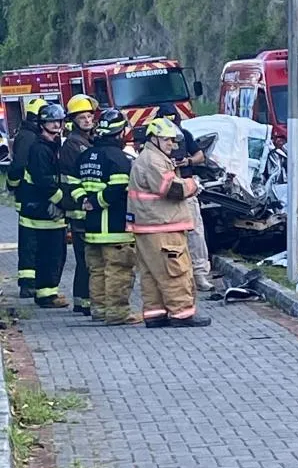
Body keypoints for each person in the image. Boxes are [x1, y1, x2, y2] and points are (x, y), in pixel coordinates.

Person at [128, 117, 211, 328]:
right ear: (154, 139)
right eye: (167, 140)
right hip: (162, 226)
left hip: (149, 226)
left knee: (152, 274)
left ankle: (156, 314)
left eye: (173, 141)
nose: (172, 145)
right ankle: (182, 313)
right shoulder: (154, 160)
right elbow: (173, 190)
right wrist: (193, 184)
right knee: (175, 271)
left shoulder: (149, 157)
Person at [73, 109, 141, 326]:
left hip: (91, 230)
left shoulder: (85, 156)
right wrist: (98, 202)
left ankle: (99, 310)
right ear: (119, 133)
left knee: (97, 271)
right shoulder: (118, 158)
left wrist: (84, 201)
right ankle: (117, 314)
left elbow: (71, 184)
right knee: (118, 272)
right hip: (114, 229)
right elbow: (117, 188)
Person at [156, 103, 213, 292]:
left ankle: (199, 274)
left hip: (186, 189)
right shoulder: (153, 142)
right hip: (166, 194)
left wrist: (187, 160)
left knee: (195, 233)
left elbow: (200, 155)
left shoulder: (185, 136)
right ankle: (175, 276)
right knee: (170, 235)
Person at [18, 103, 68, 308]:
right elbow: (44, 181)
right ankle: (46, 296)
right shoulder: (40, 149)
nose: (56, 124)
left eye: (58, 121)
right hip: (42, 213)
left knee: (55, 255)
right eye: (51, 121)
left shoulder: (53, 146)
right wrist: (63, 202)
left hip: (46, 213)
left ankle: (47, 293)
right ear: (42, 124)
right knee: (50, 256)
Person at [59, 94, 98, 315]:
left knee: (89, 259)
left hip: (87, 209)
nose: (86, 120)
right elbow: (70, 181)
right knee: (85, 259)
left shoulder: (87, 141)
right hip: (79, 210)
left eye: (89, 116)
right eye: (81, 117)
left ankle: (84, 301)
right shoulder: (73, 146)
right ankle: (82, 303)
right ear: (73, 120)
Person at [7, 97, 47, 297]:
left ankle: (31, 281)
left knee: (33, 239)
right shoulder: (29, 137)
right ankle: (28, 283)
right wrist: (12, 186)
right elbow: (19, 166)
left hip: (29, 195)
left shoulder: (28, 134)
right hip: (28, 196)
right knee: (30, 240)